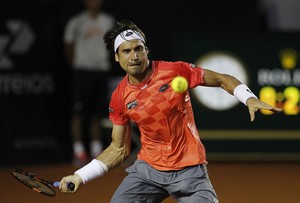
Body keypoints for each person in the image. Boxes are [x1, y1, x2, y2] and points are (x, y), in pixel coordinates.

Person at [60, 20, 282, 202]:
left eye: (138, 49)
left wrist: (249, 98)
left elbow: (222, 79)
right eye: (126, 51)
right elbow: (118, 149)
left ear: (147, 51)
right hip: (148, 171)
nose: (134, 56)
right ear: (117, 58)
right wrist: (80, 176)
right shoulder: (119, 97)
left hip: (190, 171)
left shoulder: (175, 71)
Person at [63, 0, 115, 166]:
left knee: (97, 114)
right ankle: (79, 152)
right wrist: (78, 65)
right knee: (78, 113)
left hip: (101, 72)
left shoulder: (108, 21)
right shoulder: (76, 22)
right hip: (82, 73)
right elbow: (69, 46)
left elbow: (113, 44)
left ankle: (96, 151)